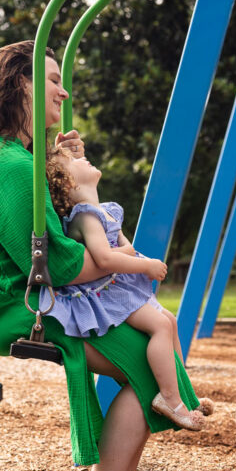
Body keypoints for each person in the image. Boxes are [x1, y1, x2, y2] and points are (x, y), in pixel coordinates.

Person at [0, 40, 203, 471]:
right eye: (52, 79)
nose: (63, 89)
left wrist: (66, 169)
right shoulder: (6, 165)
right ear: (20, 85)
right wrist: (118, 264)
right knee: (149, 368)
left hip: (40, 297)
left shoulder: (14, 157)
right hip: (19, 307)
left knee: (156, 353)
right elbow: (58, 263)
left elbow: (65, 231)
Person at [43, 146, 210, 431]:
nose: (83, 156)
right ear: (70, 182)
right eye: (74, 160)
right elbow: (106, 258)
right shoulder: (85, 217)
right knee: (160, 325)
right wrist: (145, 267)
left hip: (114, 285)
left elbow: (126, 248)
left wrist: (131, 255)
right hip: (104, 293)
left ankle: (182, 391)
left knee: (169, 320)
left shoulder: (103, 211)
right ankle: (169, 398)